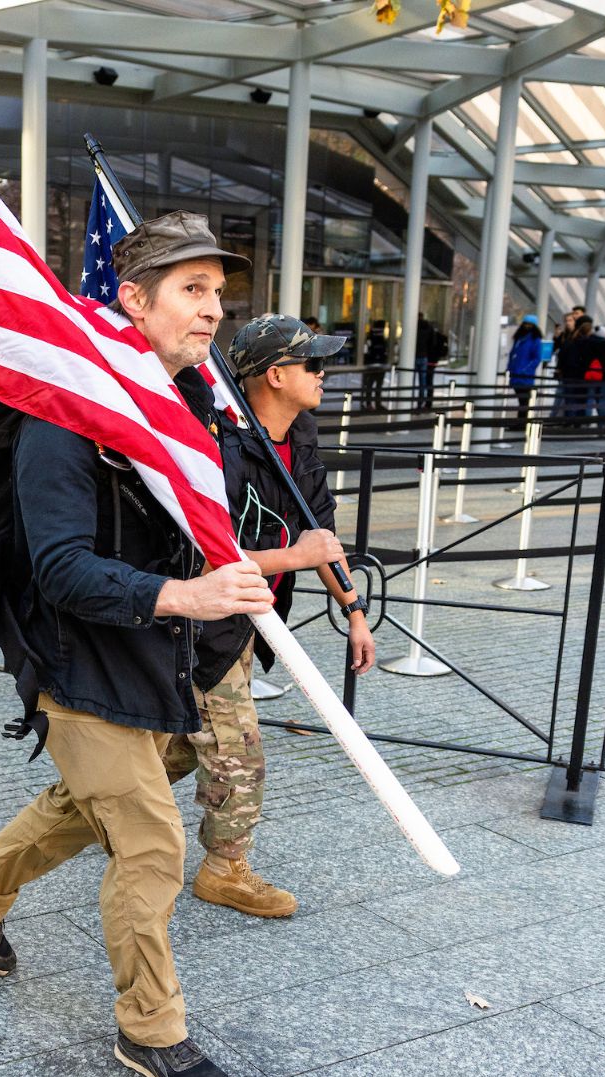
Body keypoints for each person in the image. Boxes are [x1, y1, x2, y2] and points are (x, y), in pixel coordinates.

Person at [0, 212, 267, 1077]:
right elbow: (59, 569)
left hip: (156, 654)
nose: (212, 312)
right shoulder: (66, 413)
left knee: (89, 806)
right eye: (192, 291)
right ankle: (151, 1033)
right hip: (75, 658)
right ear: (132, 299)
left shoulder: (188, 402)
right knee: (150, 843)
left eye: (218, 295)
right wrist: (183, 594)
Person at [170, 313, 374, 922]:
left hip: (244, 626)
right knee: (239, 751)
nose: (324, 375)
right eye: (314, 364)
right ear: (276, 374)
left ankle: (107, 807)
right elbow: (203, 553)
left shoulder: (300, 436)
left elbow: (322, 533)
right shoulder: (223, 448)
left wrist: (354, 610)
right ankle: (223, 869)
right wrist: (295, 556)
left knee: (179, 749)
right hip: (202, 622)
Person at [554, 316, 605, 420]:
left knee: (572, 398)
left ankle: (569, 420)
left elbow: (562, 355)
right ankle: (585, 421)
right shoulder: (597, 343)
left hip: (573, 374)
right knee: (587, 399)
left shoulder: (572, 340)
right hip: (587, 375)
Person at [506, 314, 544, 426]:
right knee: (522, 400)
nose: (527, 326)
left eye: (530, 324)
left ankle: (522, 423)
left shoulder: (535, 340)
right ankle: (521, 422)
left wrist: (526, 370)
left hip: (525, 375)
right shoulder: (518, 339)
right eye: (526, 324)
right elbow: (512, 354)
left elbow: (537, 358)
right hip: (516, 374)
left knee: (524, 400)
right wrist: (510, 368)